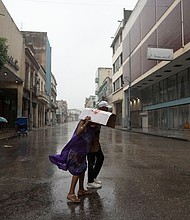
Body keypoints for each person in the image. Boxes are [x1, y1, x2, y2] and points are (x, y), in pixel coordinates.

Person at [49, 116, 95, 203]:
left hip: (82, 152)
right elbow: (78, 132)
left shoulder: (94, 127)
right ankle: (71, 193)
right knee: (77, 171)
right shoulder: (83, 122)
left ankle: (81, 189)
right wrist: (86, 123)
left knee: (83, 169)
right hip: (76, 152)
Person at [87, 101, 109, 189]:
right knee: (91, 161)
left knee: (100, 157)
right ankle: (90, 181)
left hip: (95, 141)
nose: (107, 109)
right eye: (106, 108)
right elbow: (91, 128)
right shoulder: (94, 115)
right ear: (102, 108)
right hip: (90, 142)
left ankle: (93, 177)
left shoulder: (100, 116)